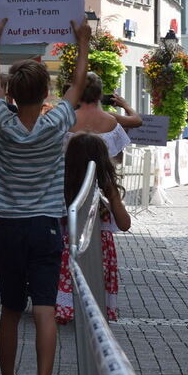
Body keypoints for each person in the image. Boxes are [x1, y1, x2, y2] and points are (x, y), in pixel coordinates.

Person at [0, 12, 91, 375]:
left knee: (11, 309)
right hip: (46, 225)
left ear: (11, 93)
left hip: (10, 227)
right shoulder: (56, 123)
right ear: (46, 92)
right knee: (45, 308)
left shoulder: (1, 121)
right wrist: (82, 41)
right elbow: (77, 86)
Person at [62, 133, 132, 321]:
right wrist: (113, 196)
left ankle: (68, 308)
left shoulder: (66, 186)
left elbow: (124, 224)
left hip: (69, 248)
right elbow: (125, 224)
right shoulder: (101, 188)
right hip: (100, 253)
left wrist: (112, 194)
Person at [68, 74, 140, 159]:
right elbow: (137, 121)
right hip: (101, 167)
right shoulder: (111, 120)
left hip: (71, 167)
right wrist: (125, 105)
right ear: (100, 95)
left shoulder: (66, 119)